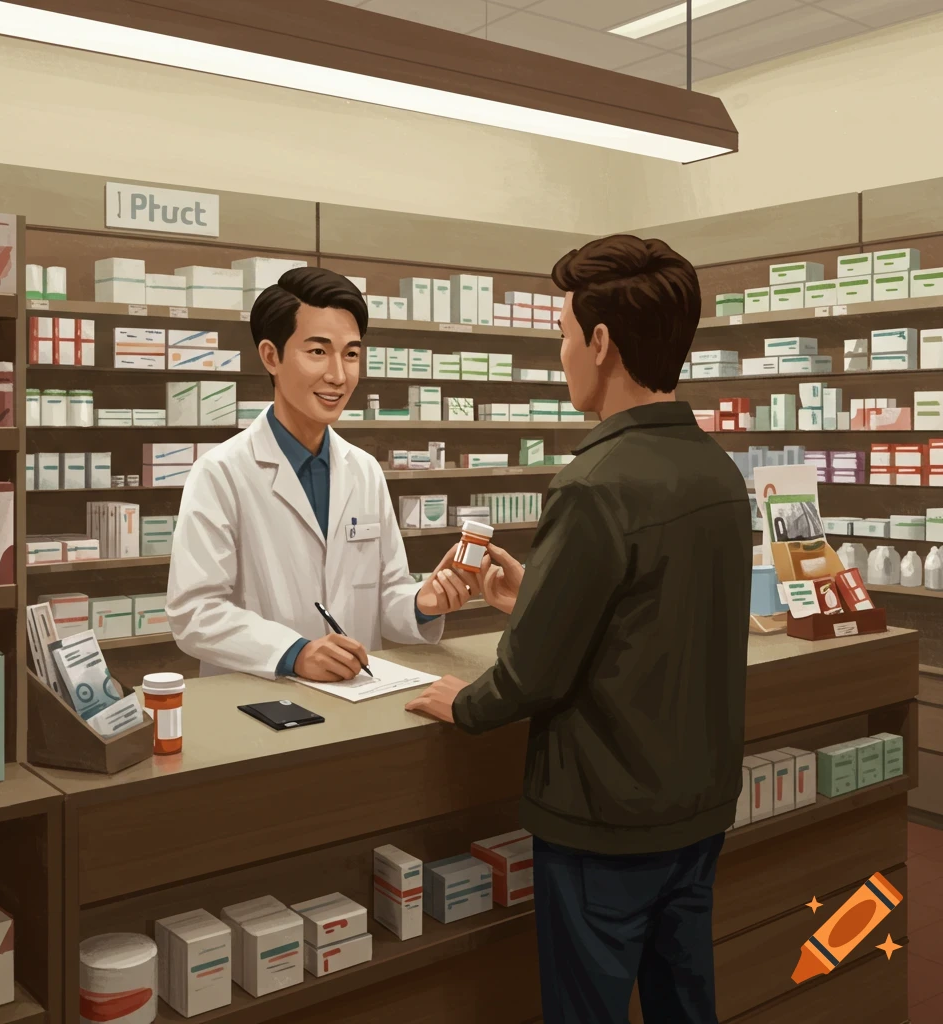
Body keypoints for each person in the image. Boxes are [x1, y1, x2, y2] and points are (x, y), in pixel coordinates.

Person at [406, 235, 752, 1023]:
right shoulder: (718, 472)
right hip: (697, 807)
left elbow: (532, 676)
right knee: (683, 1001)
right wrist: (538, 594)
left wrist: (462, 703)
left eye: (563, 335)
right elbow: (652, 614)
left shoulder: (595, 483)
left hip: (606, 821)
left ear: (601, 343)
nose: (562, 354)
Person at [167, 266, 484, 682]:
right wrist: (295, 653)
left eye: (350, 354)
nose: (338, 374)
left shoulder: (364, 471)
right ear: (271, 356)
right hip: (258, 703)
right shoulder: (221, 473)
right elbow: (195, 612)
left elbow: (388, 592)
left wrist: (422, 601)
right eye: (318, 352)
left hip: (356, 695)